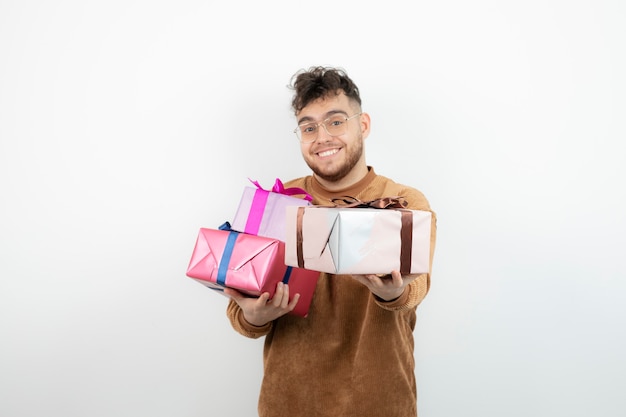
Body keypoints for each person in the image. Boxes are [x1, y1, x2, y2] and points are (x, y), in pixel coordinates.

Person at [223, 66, 437, 417]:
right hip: (288, 404)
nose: (321, 137)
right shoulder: (276, 200)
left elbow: (416, 290)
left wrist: (392, 293)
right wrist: (254, 316)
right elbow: (239, 312)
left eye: (335, 121)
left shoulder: (402, 201)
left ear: (363, 125)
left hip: (380, 403)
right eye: (308, 127)